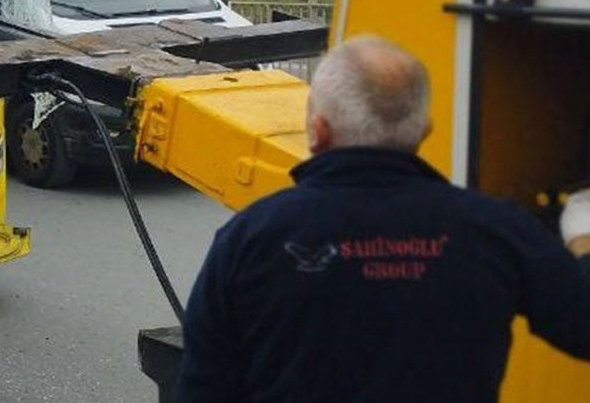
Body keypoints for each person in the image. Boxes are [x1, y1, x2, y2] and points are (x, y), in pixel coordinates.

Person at [176, 35, 590, 402]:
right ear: (424, 128)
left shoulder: (250, 238)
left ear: (317, 131)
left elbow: (203, 387)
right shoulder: (497, 230)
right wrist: (583, 238)